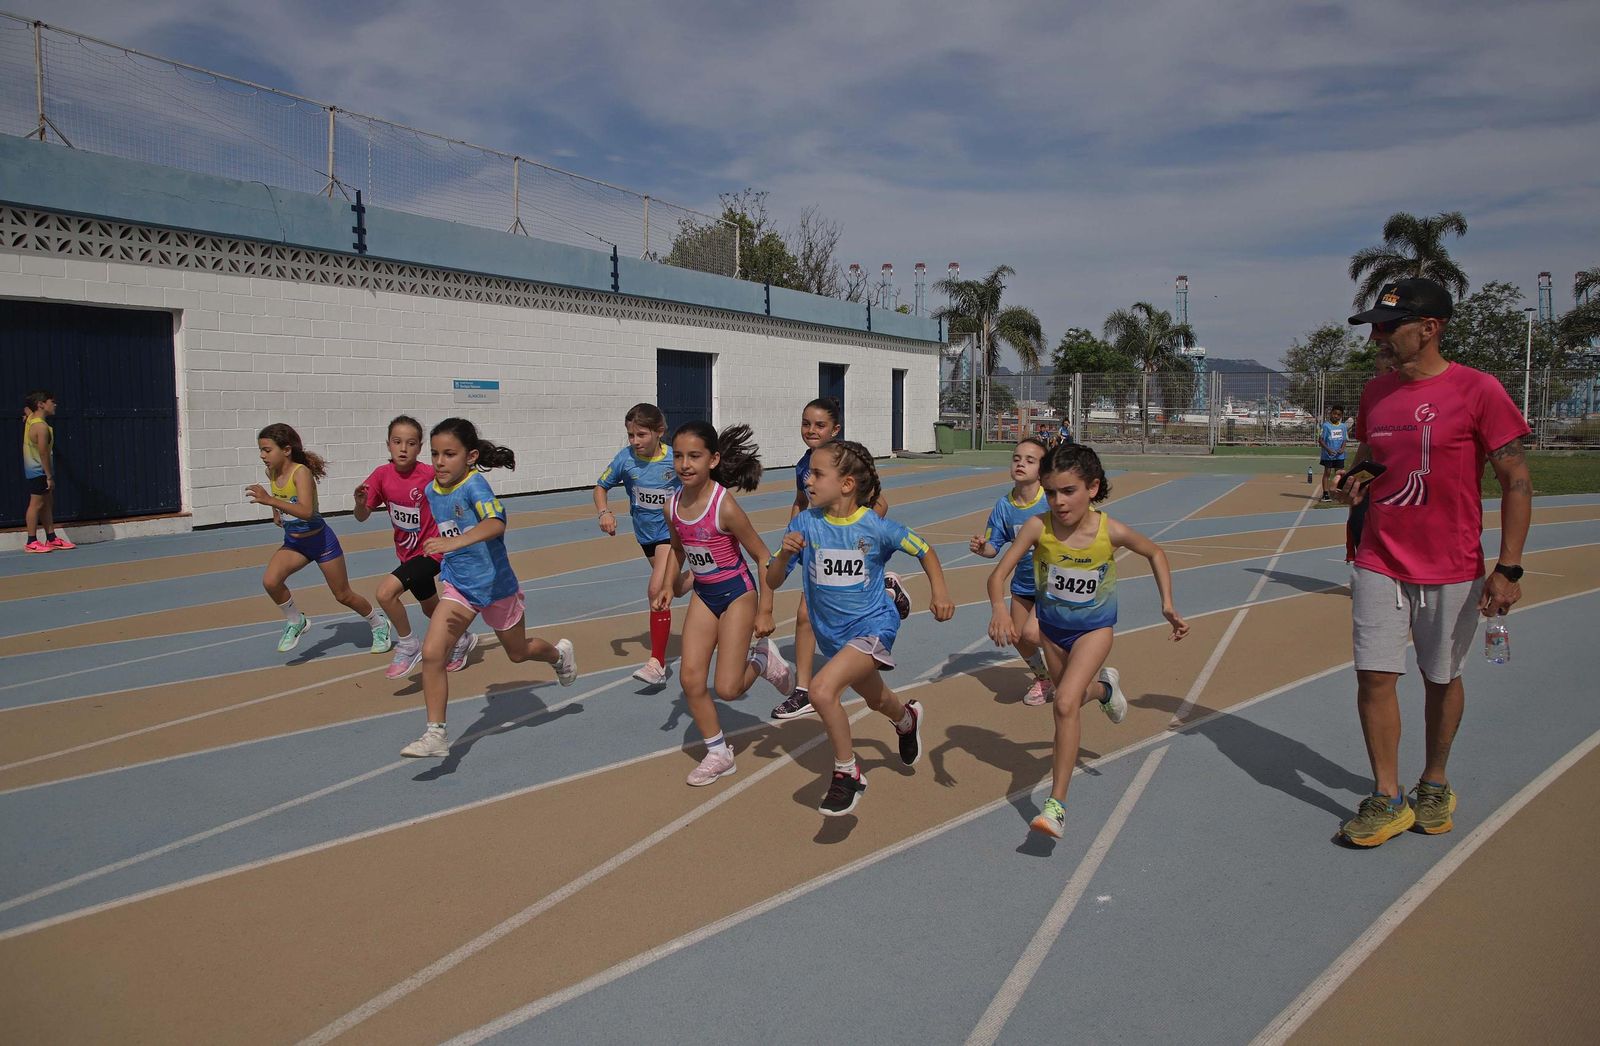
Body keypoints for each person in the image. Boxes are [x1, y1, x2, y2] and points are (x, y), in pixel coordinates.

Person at [1334, 278, 1533, 847]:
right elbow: (1371, 454)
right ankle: (1387, 795)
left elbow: (1516, 481)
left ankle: (1435, 781)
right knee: (1374, 676)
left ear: (1429, 328)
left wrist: (1509, 568)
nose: (1377, 336)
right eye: (1374, 326)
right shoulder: (1376, 393)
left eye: (1387, 326)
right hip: (1379, 558)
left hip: (1452, 565)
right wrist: (1355, 480)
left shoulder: (1479, 390)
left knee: (1441, 677)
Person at [985, 443, 1188, 839]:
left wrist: (1167, 604)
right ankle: (1105, 688)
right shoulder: (1037, 527)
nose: (1059, 502)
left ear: (1092, 488)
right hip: (1052, 631)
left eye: (1069, 491)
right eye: (1051, 492)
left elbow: (1155, 552)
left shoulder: (1109, 530)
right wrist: (999, 609)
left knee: (1063, 703)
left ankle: (1056, 806)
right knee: (1073, 699)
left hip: (1094, 630)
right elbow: (997, 576)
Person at [766, 440, 955, 817]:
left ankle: (847, 773)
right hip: (833, 636)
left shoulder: (875, 527)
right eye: (808, 473)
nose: (807, 480)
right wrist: (785, 554)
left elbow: (924, 549)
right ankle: (906, 719)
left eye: (817, 474)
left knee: (821, 691)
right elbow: (772, 580)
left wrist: (940, 592)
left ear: (847, 484)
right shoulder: (804, 524)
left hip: (873, 626)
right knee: (877, 700)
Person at [402, 418, 576, 758]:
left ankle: (559, 655)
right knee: (433, 653)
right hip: (460, 587)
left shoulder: (474, 486)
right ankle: (435, 733)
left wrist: (454, 543)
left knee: (518, 653)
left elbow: (496, 523)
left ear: (470, 457)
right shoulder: (432, 490)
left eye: (449, 454)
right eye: (435, 454)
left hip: (496, 587)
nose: (440, 462)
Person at [654, 421, 794, 786]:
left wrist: (765, 610)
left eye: (694, 456)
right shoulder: (672, 505)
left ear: (713, 460)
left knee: (729, 689)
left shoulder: (724, 506)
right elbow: (679, 549)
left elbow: (762, 556)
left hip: (737, 595)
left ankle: (762, 660)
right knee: (690, 679)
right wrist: (669, 584)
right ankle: (718, 753)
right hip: (704, 594)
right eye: (678, 456)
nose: (685, 464)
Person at [769, 397, 911, 722]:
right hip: (815, 543)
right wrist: (796, 528)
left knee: (808, 613)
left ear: (835, 429)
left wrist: (853, 535)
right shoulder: (803, 465)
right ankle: (803, 688)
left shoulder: (846, 463)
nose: (811, 430)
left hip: (844, 547)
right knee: (805, 615)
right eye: (806, 423)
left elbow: (880, 503)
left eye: (819, 425)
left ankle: (805, 687)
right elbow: (800, 500)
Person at [247, 423, 390, 655]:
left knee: (343, 595)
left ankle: (379, 624)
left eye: (267, 450)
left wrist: (270, 501)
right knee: (271, 582)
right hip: (295, 544)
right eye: (261, 450)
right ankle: (296, 621)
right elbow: (279, 494)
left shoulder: (300, 473)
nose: (262, 455)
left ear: (286, 450)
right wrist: (276, 513)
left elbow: (306, 511)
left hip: (321, 542)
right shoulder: (271, 472)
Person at [353, 415, 473, 679]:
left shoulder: (429, 474)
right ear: (388, 444)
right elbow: (361, 516)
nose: (403, 448)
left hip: (432, 551)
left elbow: (461, 484)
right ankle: (462, 638)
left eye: (410, 443)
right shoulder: (381, 475)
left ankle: (408, 645)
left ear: (420, 448)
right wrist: (360, 504)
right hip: (407, 553)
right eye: (397, 442)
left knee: (385, 593)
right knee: (430, 608)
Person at [595, 403, 681, 686]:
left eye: (641, 434)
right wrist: (604, 512)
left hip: (671, 533)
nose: (635, 441)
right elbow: (600, 487)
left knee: (656, 590)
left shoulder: (674, 459)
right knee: (675, 587)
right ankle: (704, 574)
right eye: (630, 435)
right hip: (646, 536)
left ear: (659, 432)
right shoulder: (625, 459)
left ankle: (657, 664)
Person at [969, 437, 1054, 704]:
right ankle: (1044, 678)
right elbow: (993, 546)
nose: (1021, 464)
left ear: (1042, 470)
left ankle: (1070, 662)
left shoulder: (1051, 500)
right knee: (1018, 635)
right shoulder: (1004, 506)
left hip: (1052, 582)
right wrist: (982, 547)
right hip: (1024, 583)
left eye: (1030, 460)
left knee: (1034, 633)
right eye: (1016, 458)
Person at [1344, 345, 1397, 563]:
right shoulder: (1373, 398)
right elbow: (1365, 444)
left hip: (1398, 487)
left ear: (1391, 370)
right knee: (1358, 523)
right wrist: (1353, 478)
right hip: (1371, 480)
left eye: (1377, 370)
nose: (1374, 375)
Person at [21, 390, 74, 553]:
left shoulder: (31, 418)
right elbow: (43, 453)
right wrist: (49, 476)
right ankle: (31, 542)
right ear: (41, 404)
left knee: (47, 503)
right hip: (38, 471)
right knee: (36, 505)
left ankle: (51, 538)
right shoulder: (41, 428)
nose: (55, 404)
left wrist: (27, 414)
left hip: (39, 470)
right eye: (52, 401)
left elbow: (27, 409)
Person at [1317, 406, 1349, 502]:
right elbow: (1321, 440)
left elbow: (1344, 439)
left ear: (1341, 416)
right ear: (1331, 413)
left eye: (1339, 415)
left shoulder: (1343, 426)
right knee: (1327, 473)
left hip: (1339, 455)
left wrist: (1342, 449)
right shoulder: (1326, 426)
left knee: (1339, 474)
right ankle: (1325, 494)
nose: (1336, 416)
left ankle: (1337, 493)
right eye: (1334, 413)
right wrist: (1328, 449)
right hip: (1328, 455)